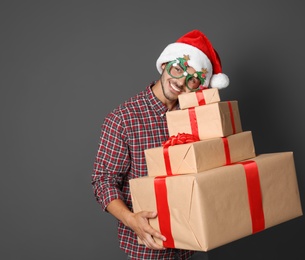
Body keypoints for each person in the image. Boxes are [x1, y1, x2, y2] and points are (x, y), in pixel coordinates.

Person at [92, 29, 229, 260]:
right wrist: (131, 220)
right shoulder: (123, 118)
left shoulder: (197, 118)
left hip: (191, 244)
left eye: (192, 80)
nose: (179, 82)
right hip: (147, 246)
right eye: (178, 69)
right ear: (165, 64)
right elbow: (103, 181)